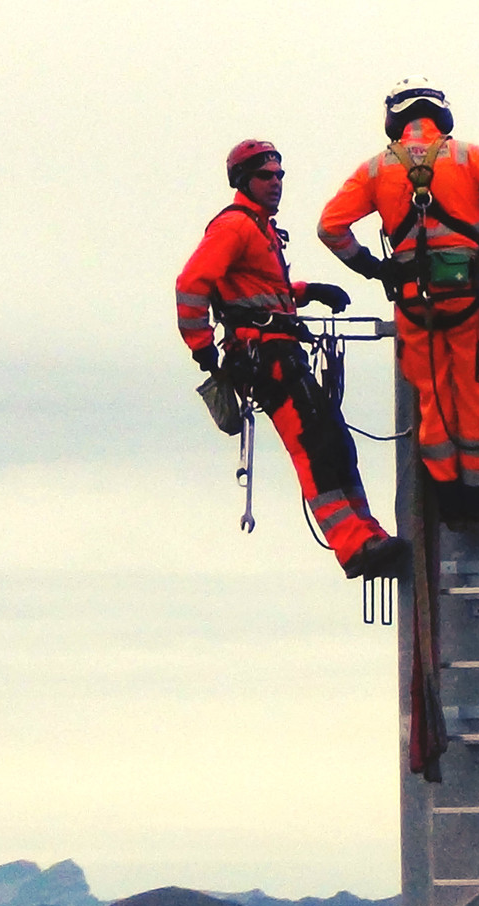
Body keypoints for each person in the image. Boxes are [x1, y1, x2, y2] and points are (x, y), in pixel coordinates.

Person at [176, 139, 409, 579]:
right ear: (245, 180)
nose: (277, 183)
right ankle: (352, 545)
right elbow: (192, 284)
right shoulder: (234, 227)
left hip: (281, 348)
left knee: (336, 445)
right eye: (267, 176)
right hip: (263, 356)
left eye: (280, 175)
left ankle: (368, 534)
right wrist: (203, 349)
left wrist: (308, 292)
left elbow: (258, 289)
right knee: (314, 450)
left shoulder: (259, 228)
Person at [318, 76, 479, 529]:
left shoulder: (376, 169)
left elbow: (330, 227)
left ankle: (448, 498)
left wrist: (373, 269)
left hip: (412, 300)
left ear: (393, 119)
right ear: (440, 115)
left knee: (431, 394)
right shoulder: (467, 156)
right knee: (474, 387)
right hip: (463, 296)